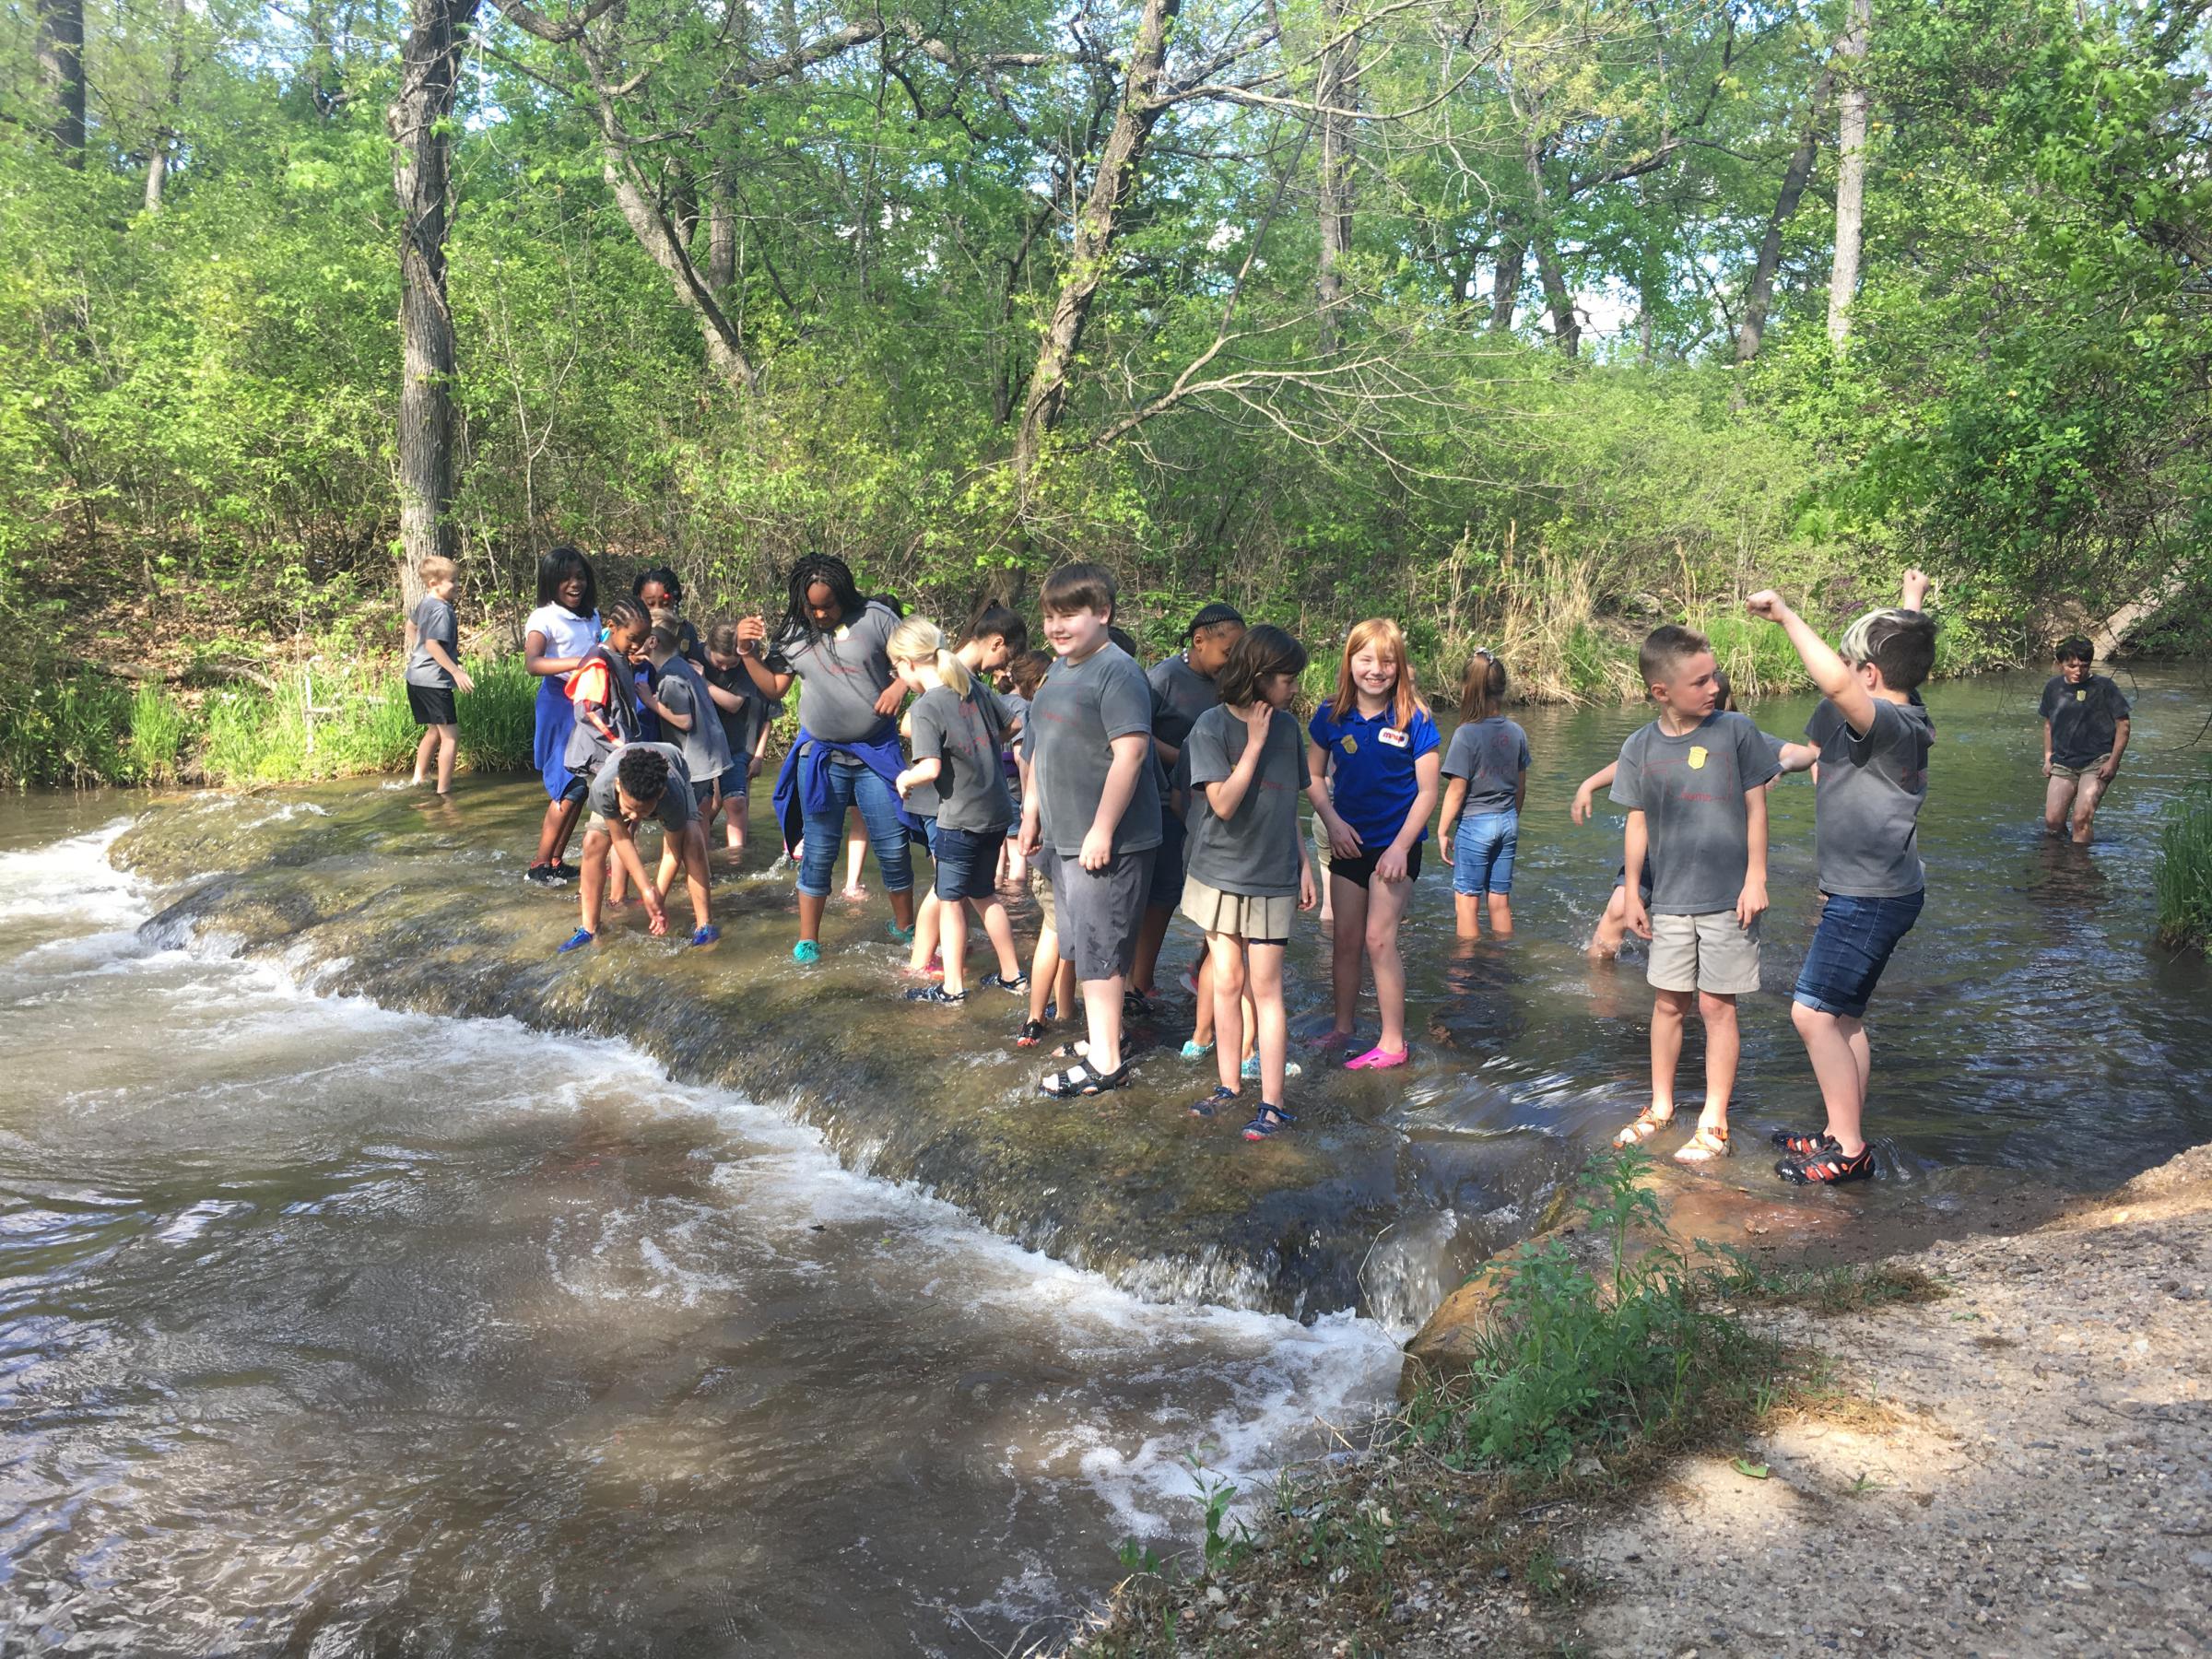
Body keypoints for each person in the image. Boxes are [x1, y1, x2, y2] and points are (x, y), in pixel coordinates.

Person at [1749, 571, 1937, 1185]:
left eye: (1855, 666)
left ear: (1871, 678)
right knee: (1845, 1018)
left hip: (1869, 897)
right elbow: (1894, 656)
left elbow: (1835, 680)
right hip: (1883, 889)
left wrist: (1785, 615)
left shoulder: (1889, 724)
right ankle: (1838, 1128)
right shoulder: (1905, 710)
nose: (1845, 675)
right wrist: (1912, 604)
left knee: (1811, 1014)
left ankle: (1849, 1149)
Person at [1607, 626, 1780, 1163]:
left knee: (1716, 1005)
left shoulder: (1737, 731)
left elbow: (1756, 808)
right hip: (1671, 897)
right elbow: (1637, 824)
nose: (1713, 687)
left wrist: (1757, 878)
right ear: (1661, 692)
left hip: (1729, 896)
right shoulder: (1640, 745)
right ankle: (1660, 1107)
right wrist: (1633, 893)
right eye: (1699, 681)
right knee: (1667, 1003)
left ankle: (1714, 1120)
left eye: (1713, 676)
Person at [1018, 563, 1162, 1096]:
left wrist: (1102, 830)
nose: (1056, 627)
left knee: (1102, 949)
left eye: (1070, 614)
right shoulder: (1058, 670)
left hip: (1109, 841)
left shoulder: (1118, 672)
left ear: (1102, 614)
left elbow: (1132, 754)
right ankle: (1110, 1036)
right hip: (1063, 835)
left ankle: (1106, 1064)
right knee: (1088, 944)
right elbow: (1040, 750)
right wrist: (1031, 816)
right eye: (1050, 616)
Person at [742, 555, 918, 962]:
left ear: (846, 596)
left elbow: (921, 658)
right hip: (821, 756)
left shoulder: (876, 619)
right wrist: (747, 653)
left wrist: (898, 687)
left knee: (892, 845)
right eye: (812, 607)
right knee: (819, 849)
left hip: (875, 752)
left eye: (828, 606)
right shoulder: (793, 632)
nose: (820, 614)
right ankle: (809, 940)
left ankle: (905, 929)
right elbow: (773, 689)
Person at [1179, 626, 1317, 1140]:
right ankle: (1229, 1086)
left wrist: (1304, 863)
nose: (1294, 689)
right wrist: (1254, 743)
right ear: (1258, 678)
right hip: (1217, 873)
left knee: (1267, 990)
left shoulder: (1287, 729)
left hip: (1273, 875)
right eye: (1287, 679)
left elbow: (1290, 803)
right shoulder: (1210, 728)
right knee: (1228, 980)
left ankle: (1274, 1103)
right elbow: (1223, 803)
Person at [1571, 669, 1811, 959]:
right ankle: (1602, 989)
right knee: (1618, 911)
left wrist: (1778, 769)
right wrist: (1590, 784)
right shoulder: (1667, 733)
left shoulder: (1739, 735)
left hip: (1712, 859)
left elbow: (1804, 754)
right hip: (1658, 848)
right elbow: (1632, 764)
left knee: (1704, 940)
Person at [1305, 618, 1441, 1070]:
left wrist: (1401, 846)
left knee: (1378, 940)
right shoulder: (1330, 714)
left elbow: (1427, 792)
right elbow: (1313, 777)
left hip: (1395, 845)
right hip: (1347, 841)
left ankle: (1393, 1042)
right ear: (1349, 662)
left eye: (1386, 661)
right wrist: (1332, 822)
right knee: (1344, 940)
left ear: (1399, 665)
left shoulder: (1415, 717)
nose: (1375, 670)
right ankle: (1342, 1028)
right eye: (1365, 660)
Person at [889, 617, 1027, 1004]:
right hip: (997, 811)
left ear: (910, 663)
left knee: (951, 900)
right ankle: (1013, 976)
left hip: (958, 817)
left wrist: (905, 779)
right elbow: (1014, 723)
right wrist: (981, 743)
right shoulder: (973, 688)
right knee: (985, 894)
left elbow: (930, 768)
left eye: (896, 668)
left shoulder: (927, 706)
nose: (899, 675)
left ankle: (952, 988)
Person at [1134, 603, 1246, 1017]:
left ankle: (1203, 970)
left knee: (1223, 893)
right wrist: (1190, 758)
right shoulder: (1162, 678)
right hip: (1166, 800)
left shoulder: (1227, 681)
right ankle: (1141, 982)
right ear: (1199, 641)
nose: (1232, 662)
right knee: (1161, 894)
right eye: (1228, 651)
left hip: (1213, 804)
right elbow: (1136, 735)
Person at [556, 743, 719, 953]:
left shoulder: (672, 796)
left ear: (659, 796)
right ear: (618, 786)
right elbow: (621, 840)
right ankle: (589, 929)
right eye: (630, 808)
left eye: (642, 811)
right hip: (620, 765)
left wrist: (657, 897)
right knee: (593, 841)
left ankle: (705, 926)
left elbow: (672, 852)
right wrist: (645, 890)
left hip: (674, 763)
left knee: (693, 838)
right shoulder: (604, 788)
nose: (633, 817)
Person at [523, 546, 602, 886]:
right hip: (558, 705)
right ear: (551, 582)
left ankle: (556, 860)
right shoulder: (544, 617)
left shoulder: (592, 615)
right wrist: (578, 663)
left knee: (581, 790)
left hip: (589, 706)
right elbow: (533, 664)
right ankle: (538, 865)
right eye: (566, 579)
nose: (575, 584)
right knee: (566, 787)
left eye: (580, 577)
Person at [1439, 649, 1529, 941]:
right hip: (1507, 822)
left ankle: (1466, 972)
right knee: (1500, 901)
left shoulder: (1466, 734)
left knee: (1466, 903)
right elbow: (1521, 786)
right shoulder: (1517, 732)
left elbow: (1457, 789)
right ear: (1503, 689)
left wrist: (1441, 830)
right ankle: (1500, 961)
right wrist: (1511, 816)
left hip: (1475, 825)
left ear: (1467, 689)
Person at [641, 622, 732, 900]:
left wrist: (650, 701)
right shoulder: (683, 666)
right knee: (691, 822)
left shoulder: (669, 678)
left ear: (653, 642)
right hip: (711, 758)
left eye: (639, 639)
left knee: (678, 829)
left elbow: (684, 720)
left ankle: (663, 892)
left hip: (696, 764)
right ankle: (692, 878)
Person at [2040, 636, 2131, 845]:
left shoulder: (2105, 687)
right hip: (2063, 761)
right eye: (2071, 666)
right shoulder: (2053, 688)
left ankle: (2081, 869)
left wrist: (2113, 762)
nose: (2078, 671)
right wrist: (2047, 758)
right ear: (2059, 663)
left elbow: (2123, 725)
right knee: (2053, 822)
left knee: (2081, 819)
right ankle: (2058, 865)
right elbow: (2048, 725)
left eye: (2084, 665)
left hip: (2097, 761)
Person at [701, 620, 776, 861]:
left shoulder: (749, 668)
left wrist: (759, 755)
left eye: (730, 663)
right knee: (709, 803)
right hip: (705, 745)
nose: (724, 669)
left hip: (739, 744)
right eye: (719, 662)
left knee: (735, 800)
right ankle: (703, 846)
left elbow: (748, 709)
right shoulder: (694, 657)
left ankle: (736, 857)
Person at [404, 555, 474, 797]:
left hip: (415, 677)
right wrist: (456, 671)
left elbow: (411, 627)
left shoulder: (426, 603)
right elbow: (433, 645)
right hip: (434, 681)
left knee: (434, 730)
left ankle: (419, 777)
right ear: (434, 583)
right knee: (451, 736)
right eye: (452, 581)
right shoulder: (442, 610)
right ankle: (444, 791)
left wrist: (419, 650)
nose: (457, 585)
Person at [998, 647, 1052, 888]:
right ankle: (1016, 904)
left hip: (993, 784)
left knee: (998, 850)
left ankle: (996, 892)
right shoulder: (1026, 707)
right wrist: (1027, 802)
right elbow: (1022, 755)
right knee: (1018, 851)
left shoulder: (996, 699)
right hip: (1013, 785)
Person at [633, 567, 703, 663]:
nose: (657, 610)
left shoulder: (686, 630)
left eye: (665, 604)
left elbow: (692, 667)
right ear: (639, 599)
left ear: (675, 600)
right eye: (650, 604)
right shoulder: (631, 629)